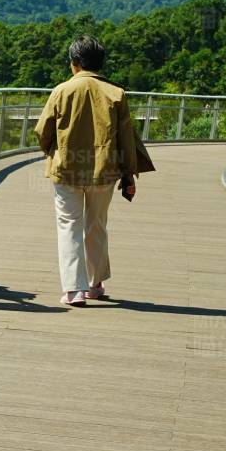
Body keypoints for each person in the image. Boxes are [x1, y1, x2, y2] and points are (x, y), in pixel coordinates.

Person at [33, 36, 140, 307]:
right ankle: (96, 283)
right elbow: (127, 139)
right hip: (105, 171)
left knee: (69, 224)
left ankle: (74, 290)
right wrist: (128, 174)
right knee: (97, 224)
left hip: (66, 169)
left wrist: (51, 151)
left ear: (75, 63)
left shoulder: (61, 91)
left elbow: (42, 131)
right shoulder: (117, 93)